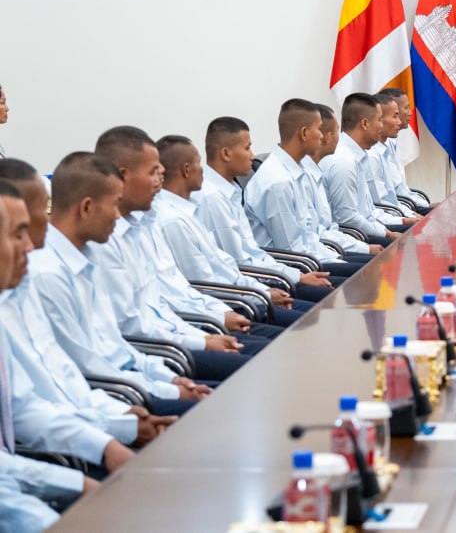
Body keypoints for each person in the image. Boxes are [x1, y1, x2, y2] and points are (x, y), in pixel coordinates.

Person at [0, 161, 175, 451]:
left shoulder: (28, 284)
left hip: (102, 411)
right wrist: (110, 437)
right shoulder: (45, 277)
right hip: (76, 435)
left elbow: (69, 377)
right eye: (43, 210)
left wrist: (120, 422)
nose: (49, 219)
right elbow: (37, 408)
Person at [27, 153, 209, 415]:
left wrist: (169, 380)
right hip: (116, 398)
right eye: (114, 205)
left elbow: (118, 347)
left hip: (134, 381)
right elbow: (90, 368)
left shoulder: (86, 255)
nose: (117, 215)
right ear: (87, 207)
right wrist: (167, 390)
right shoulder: (48, 275)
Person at [89, 127, 266, 375]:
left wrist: (208, 328)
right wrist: (203, 337)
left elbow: (171, 297)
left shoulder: (144, 224)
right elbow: (137, 327)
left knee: (277, 351)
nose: (160, 179)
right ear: (123, 176)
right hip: (164, 353)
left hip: (188, 328)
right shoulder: (109, 241)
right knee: (268, 362)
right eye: (153, 172)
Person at [0, 180, 136, 485]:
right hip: (47, 459)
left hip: (79, 431)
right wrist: (76, 485)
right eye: (18, 234)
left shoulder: (21, 287)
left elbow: (28, 406)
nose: (29, 245)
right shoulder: (45, 275)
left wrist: (112, 438)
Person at [153, 136, 310, 327]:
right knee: (312, 319)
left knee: (317, 314)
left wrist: (261, 292)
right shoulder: (178, 218)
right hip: (229, 305)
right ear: (186, 170)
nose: (252, 156)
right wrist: (261, 295)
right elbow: (207, 282)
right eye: (199, 163)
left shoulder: (190, 209)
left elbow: (227, 266)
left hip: (241, 294)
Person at [195, 116, 339, 301]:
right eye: (247, 148)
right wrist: (282, 283)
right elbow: (239, 264)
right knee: (340, 296)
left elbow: (253, 253)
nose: (252, 156)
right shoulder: (213, 199)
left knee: (350, 286)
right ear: (226, 154)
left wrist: (294, 275)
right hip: (253, 287)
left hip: (268, 274)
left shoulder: (231, 191)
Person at [245, 100, 373, 272]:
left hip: (311, 258)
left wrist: (338, 259)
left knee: (372, 267)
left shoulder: (300, 171)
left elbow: (312, 235)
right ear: (304, 133)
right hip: (293, 268)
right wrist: (342, 262)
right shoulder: (278, 181)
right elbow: (292, 250)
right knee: (369, 273)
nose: (322, 136)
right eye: (318, 129)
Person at [320, 94, 412, 245]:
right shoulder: (344, 161)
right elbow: (348, 219)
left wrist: (391, 229)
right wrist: (386, 234)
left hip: (363, 229)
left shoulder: (357, 155)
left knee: (414, 234)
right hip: (350, 236)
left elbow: (368, 211)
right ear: (364, 123)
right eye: (379, 120)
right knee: (409, 241)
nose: (382, 126)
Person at [366, 93, 423, 220]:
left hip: (400, 210)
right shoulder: (372, 156)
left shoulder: (387, 147)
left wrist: (413, 214)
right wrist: (406, 220)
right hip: (389, 217)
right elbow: (382, 204)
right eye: (395, 116)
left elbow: (397, 195)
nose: (399, 121)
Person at [377, 87, 431, 213]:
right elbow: (387, 200)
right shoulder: (374, 152)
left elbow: (402, 190)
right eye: (406, 108)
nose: (410, 113)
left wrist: (428, 206)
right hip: (396, 213)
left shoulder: (390, 143)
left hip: (404, 208)